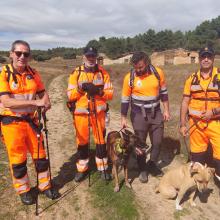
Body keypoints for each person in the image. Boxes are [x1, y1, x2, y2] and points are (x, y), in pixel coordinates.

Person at [0, 40, 59, 205]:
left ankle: (45, 186)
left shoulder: (33, 73)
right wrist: (36, 103)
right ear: (11, 53)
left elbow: (42, 93)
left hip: (31, 121)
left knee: (41, 156)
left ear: (29, 56)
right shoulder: (3, 73)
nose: (22, 57)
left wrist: (46, 102)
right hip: (11, 122)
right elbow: (7, 102)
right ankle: (24, 190)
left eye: (25, 54)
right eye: (18, 53)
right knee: (18, 160)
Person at [121, 51, 170, 183]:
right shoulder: (129, 77)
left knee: (158, 142)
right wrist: (123, 117)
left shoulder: (158, 73)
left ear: (147, 62)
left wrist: (166, 110)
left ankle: (152, 164)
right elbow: (125, 99)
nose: (138, 70)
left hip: (156, 112)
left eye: (141, 67)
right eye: (136, 67)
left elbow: (164, 93)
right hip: (138, 114)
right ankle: (142, 168)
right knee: (140, 144)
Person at [67, 46, 113, 182]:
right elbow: (70, 95)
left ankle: (102, 168)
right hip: (81, 114)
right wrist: (81, 89)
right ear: (83, 57)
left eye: (93, 56)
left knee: (100, 141)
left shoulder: (103, 72)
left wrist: (98, 92)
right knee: (82, 143)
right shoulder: (76, 73)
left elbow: (110, 94)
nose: (91, 58)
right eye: (88, 56)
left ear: (96, 57)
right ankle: (82, 169)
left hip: (98, 114)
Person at [180, 46, 220, 189]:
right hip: (195, 125)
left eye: (209, 56)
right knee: (196, 158)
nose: (206, 59)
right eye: (203, 56)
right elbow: (185, 101)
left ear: (213, 59)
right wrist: (183, 124)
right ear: (199, 59)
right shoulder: (191, 79)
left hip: (216, 123)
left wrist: (213, 112)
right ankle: (195, 184)